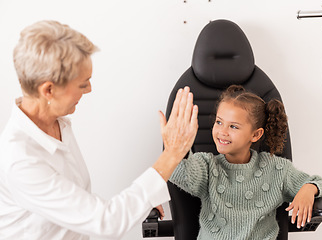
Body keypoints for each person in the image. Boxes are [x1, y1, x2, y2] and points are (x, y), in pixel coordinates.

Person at [0, 20, 198, 239]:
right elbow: (105, 222)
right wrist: (172, 153)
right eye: (83, 84)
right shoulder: (20, 160)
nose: (89, 89)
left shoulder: (58, 124)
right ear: (49, 90)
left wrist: (139, 204)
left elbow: (80, 204)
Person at [169, 85, 322, 240]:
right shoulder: (206, 165)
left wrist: (309, 188)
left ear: (255, 135)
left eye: (233, 127)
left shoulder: (277, 169)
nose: (222, 132)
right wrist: (179, 146)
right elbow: (182, 173)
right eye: (219, 122)